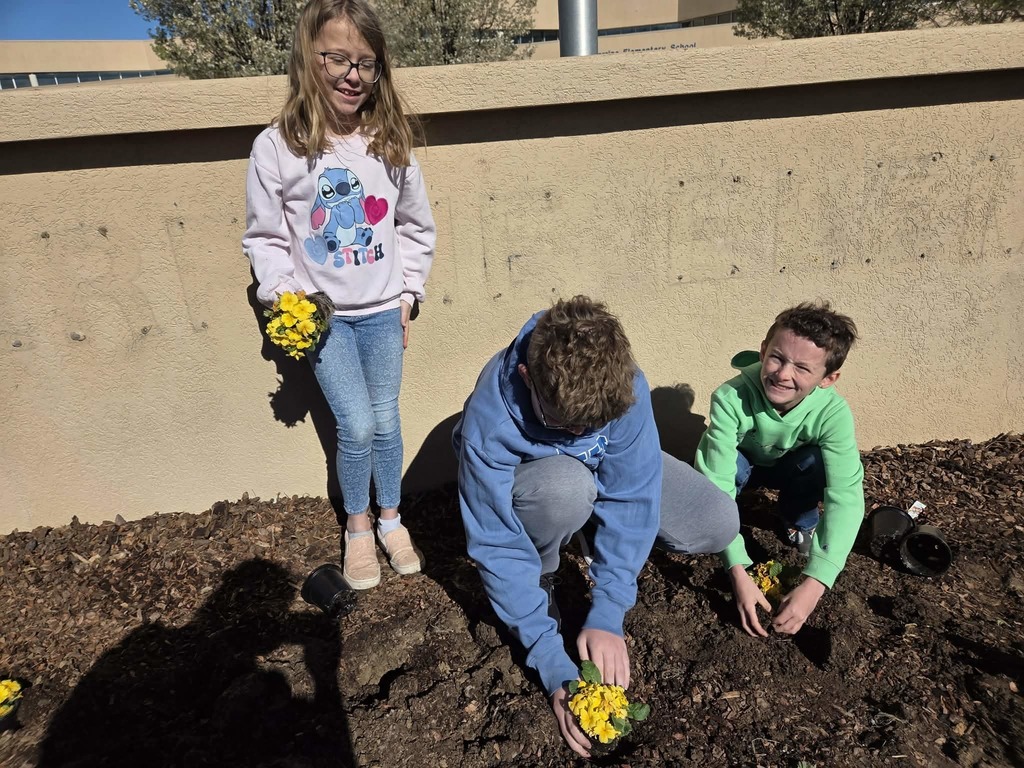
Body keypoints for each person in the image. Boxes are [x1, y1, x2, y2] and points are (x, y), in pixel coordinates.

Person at [453, 295, 738, 758]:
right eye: (567, 427)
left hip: (597, 475)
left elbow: (633, 493)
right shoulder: (492, 419)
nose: (580, 437)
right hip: (542, 485)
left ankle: (587, 531)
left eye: (594, 427)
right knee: (566, 487)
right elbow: (496, 543)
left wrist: (609, 608)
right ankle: (548, 561)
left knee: (718, 521)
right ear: (528, 378)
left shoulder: (622, 384)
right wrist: (550, 662)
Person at [243, 0, 435, 590]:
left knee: (385, 418)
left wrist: (408, 293)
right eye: (338, 59)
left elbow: (414, 226)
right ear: (309, 58)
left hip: (382, 314)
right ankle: (357, 526)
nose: (353, 75)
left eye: (367, 63)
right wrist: (287, 299)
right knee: (354, 425)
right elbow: (267, 236)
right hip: (327, 323)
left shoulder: (388, 140)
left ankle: (391, 518)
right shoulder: (278, 147)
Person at [694, 301, 863, 637]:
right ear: (762, 350)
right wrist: (738, 568)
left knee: (817, 463)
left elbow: (846, 494)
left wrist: (816, 582)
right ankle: (727, 529)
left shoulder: (833, 413)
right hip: (740, 467)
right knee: (725, 481)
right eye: (777, 357)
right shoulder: (732, 397)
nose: (783, 374)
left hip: (790, 467)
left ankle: (798, 522)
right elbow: (717, 483)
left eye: (802, 368)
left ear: (829, 378)